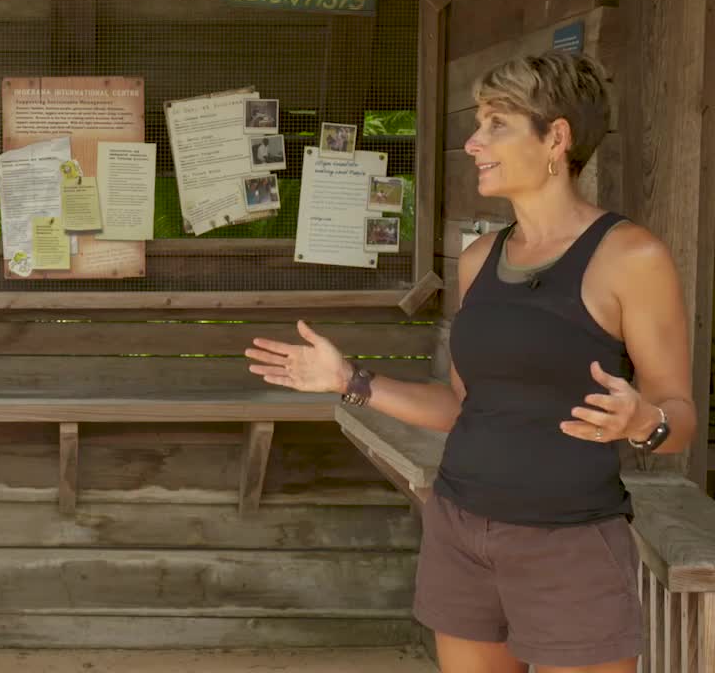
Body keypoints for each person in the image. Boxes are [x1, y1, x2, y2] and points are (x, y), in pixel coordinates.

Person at [246, 50, 693, 673]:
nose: (473, 140)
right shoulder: (481, 257)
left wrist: (643, 422)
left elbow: (679, 417)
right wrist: (351, 381)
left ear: (556, 138)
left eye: (496, 124)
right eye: (478, 122)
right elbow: (462, 407)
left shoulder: (631, 257)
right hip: (461, 529)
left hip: (569, 542)